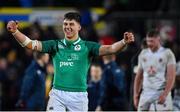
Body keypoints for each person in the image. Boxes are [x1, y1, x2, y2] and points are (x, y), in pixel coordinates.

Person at [6, 12, 134, 111]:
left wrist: (124, 42)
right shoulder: (55, 45)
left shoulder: (87, 47)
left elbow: (111, 49)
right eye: (65, 24)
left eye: (71, 24)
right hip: (57, 94)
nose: (67, 27)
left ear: (79, 26)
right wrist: (15, 32)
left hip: (79, 96)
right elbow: (30, 44)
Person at [133, 29, 176, 111]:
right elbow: (138, 76)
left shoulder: (167, 53)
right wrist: (135, 95)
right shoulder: (143, 53)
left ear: (158, 39)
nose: (149, 44)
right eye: (148, 41)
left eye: (152, 41)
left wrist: (165, 94)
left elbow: (171, 76)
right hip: (145, 94)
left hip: (161, 93)